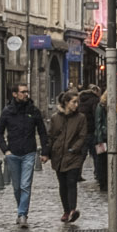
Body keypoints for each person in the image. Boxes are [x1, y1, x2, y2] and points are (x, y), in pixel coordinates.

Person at [0, 82, 49, 227]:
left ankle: (22, 214)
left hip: (29, 153)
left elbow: (42, 132)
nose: (26, 94)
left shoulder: (33, 110)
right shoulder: (7, 111)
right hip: (13, 154)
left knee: (25, 185)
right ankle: (21, 210)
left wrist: (45, 151)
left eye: (27, 92)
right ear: (15, 94)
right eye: (23, 92)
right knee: (17, 187)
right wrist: (5, 150)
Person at [44, 89, 89, 224]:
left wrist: (73, 149)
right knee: (62, 184)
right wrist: (46, 153)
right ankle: (66, 210)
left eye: (77, 102)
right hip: (59, 156)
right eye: (74, 102)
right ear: (66, 102)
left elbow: (82, 136)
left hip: (74, 156)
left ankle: (72, 210)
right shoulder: (55, 118)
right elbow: (51, 137)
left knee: (71, 182)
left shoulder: (81, 118)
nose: (76, 105)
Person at [79, 85, 109, 192]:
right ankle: (98, 174)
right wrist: (100, 137)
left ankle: (78, 173)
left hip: (83, 131)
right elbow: (97, 119)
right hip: (93, 132)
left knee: (82, 154)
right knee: (97, 156)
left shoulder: (81, 100)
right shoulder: (96, 102)